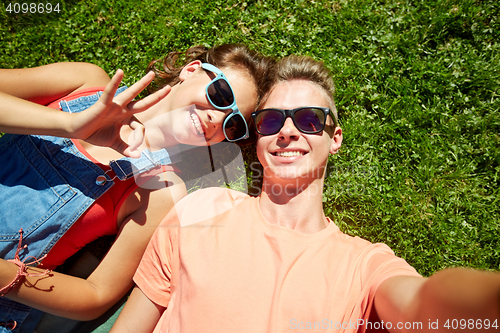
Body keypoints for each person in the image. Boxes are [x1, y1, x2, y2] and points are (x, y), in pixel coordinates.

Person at [111, 55, 500, 333]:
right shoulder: (200, 210)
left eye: (310, 120)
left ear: (335, 139)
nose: (289, 131)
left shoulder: (363, 265)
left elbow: (421, 306)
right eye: (272, 120)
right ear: (259, 138)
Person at [0, 44, 274, 332]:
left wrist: (7, 275)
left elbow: (96, 294)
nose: (217, 118)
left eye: (233, 124)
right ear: (191, 70)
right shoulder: (84, 83)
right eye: (221, 95)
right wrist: (69, 125)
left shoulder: (162, 190)